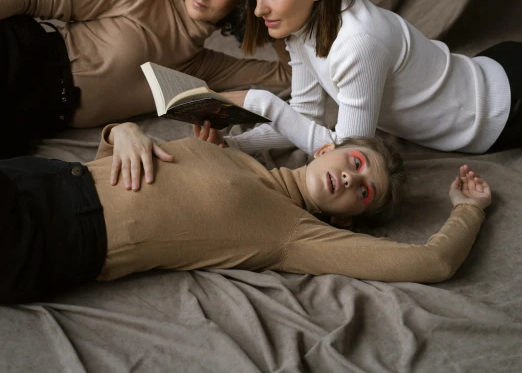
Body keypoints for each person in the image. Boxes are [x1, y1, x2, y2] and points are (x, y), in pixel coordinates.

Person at [0, 120, 491, 305]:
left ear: (346, 219)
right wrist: (122, 129)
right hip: (41, 176)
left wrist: (468, 210)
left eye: (364, 194)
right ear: (325, 151)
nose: (353, 179)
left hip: (48, 233)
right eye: (357, 164)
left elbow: (432, 262)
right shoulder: (232, 154)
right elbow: (119, 163)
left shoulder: (294, 234)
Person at [208, 0, 521, 155]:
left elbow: (349, 151)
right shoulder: (301, 23)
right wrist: (233, 144)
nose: (259, 9)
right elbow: (304, 117)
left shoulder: (358, 43)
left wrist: (263, 103)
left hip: (502, 110)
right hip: (486, 66)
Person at [0, 0, 291, 157]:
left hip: (31, 121)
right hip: (20, 57)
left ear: (242, 1)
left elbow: (288, 74)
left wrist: (266, 3)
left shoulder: (206, 68)